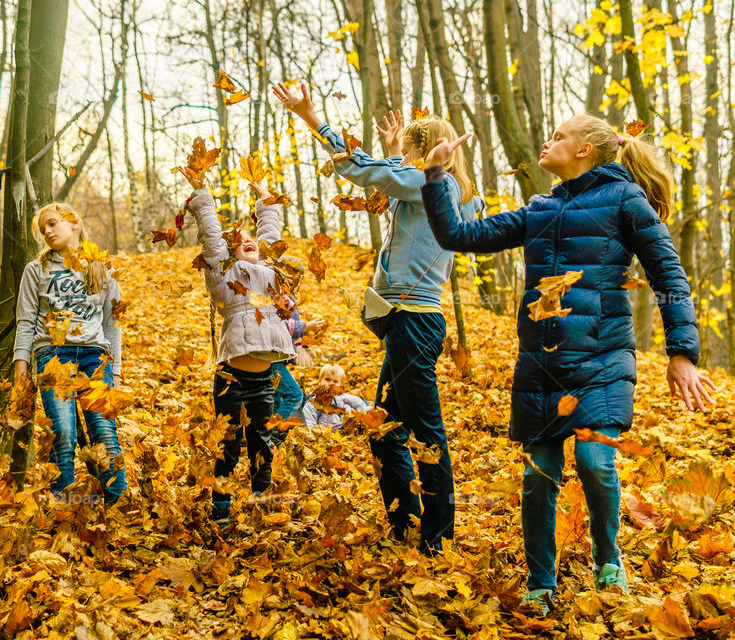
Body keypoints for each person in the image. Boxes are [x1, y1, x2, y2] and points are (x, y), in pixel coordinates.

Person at [419, 114, 715, 614]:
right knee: (539, 474)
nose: (546, 140)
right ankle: (540, 582)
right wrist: (435, 178)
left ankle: (608, 558)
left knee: (595, 462)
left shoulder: (625, 200)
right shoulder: (539, 208)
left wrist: (682, 353)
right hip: (542, 362)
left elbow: (668, 274)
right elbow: (458, 237)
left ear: (585, 150)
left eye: (558, 135)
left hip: (602, 356)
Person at [274, 82, 482, 552]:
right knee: (385, 427)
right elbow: (396, 185)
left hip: (413, 322)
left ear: (426, 153)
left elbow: (364, 171)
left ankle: (437, 538)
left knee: (425, 433)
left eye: (409, 152)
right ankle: (407, 526)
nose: (402, 161)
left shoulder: (436, 182)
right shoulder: (452, 189)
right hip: (409, 321)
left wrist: (311, 117)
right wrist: (397, 155)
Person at [178, 168, 295, 529]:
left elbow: (270, 236)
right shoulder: (225, 280)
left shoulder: (273, 277)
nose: (249, 241)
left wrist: (266, 202)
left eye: (251, 239)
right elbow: (213, 240)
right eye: (240, 240)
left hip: (263, 381)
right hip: (231, 380)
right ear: (229, 255)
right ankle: (222, 510)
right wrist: (202, 197)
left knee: (262, 445)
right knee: (229, 447)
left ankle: (261, 501)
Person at [13, 202, 127, 504]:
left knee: (104, 430)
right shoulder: (35, 270)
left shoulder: (102, 267)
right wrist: (21, 365)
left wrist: (115, 368)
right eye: (42, 229)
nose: (47, 232)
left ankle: (116, 505)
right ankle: (62, 506)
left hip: (95, 356)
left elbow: (112, 322)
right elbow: (25, 320)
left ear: (73, 222)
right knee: (62, 432)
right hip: (53, 355)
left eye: (52, 224)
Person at [270, 255, 325, 446]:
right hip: (269, 357)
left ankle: (273, 439)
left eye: (297, 275)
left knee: (277, 398)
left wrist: (303, 348)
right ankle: (276, 434)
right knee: (294, 394)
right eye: (291, 272)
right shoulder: (275, 295)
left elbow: (291, 334)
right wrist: (306, 325)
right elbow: (281, 325)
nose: (293, 279)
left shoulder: (289, 298)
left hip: (278, 356)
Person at [302, 364, 370, 431]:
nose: (331, 384)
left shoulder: (345, 398)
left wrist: (362, 416)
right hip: (326, 434)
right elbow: (309, 421)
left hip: (347, 429)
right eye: (327, 380)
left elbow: (360, 404)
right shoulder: (314, 402)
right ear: (320, 381)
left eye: (335, 381)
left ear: (341, 386)